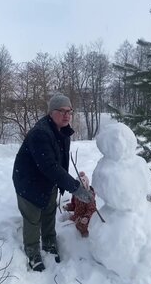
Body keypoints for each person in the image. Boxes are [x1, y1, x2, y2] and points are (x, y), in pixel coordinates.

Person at [12, 93, 94, 272]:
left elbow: (59, 163)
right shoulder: (40, 134)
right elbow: (49, 166)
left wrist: (64, 182)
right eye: (61, 111)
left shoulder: (62, 130)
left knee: (49, 212)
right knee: (33, 218)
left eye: (69, 111)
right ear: (51, 113)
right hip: (28, 182)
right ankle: (33, 252)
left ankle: (49, 243)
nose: (67, 115)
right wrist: (75, 188)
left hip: (49, 181)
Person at [63, 172, 97, 238]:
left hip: (84, 220)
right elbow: (73, 205)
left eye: (82, 189)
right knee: (68, 226)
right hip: (76, 217)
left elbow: (92, 209)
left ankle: (83, 240)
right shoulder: (75, 196)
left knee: (82, 227)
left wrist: (86, 217)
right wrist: (68, 206)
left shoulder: (89, 198)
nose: (80, 193)